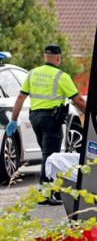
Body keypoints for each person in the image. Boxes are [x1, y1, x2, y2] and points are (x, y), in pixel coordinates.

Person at [5, 44, 86, 205]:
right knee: (51, 156)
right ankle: (46, 194)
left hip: (35, 119)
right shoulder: (61, 76)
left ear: (44, 56)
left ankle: (51, 191)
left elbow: (20, 98)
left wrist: (13, 119)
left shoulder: (33, 73)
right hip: (51, 120)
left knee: (47, 155)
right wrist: (91, 116)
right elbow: (78, 100)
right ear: (58, 58)